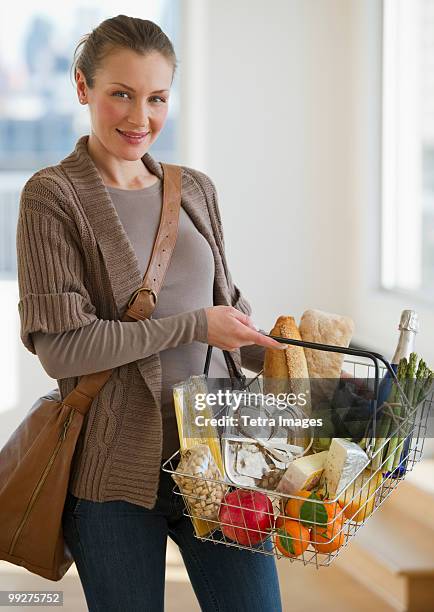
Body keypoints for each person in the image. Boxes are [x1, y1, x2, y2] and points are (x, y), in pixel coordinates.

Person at [16, 15, 286, 612]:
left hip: (221, 461)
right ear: (83, 88)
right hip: (112, 477)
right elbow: (62, 350)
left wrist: (294, 362)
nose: (141, 119)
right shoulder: (51, 197)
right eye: (121, 94)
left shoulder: (194, 190)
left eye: (157, 98)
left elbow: (229, 321)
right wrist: (193, 325)